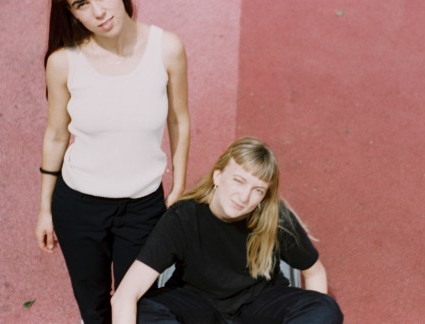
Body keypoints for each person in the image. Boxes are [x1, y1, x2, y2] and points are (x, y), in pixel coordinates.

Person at [34, 0, 190, 324]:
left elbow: (179, 119)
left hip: (143, 206)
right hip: (78, 206)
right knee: (94, 310)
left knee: (140, 308)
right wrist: (44, 209)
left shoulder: (166, 48)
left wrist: (179, 186)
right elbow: (56, 135)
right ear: (70, 11)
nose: (98, 11)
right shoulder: (63, 62)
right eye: (82, 4)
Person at [111, 137, 344, 324]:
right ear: (218, 176)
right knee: (143, 310)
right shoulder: (183, 217)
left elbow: (314, 273)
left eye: (258, 190)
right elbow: (125, 295)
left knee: (324, 307)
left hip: (259, 303)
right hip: (198, 303)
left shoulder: (274, 216)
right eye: (239, 181)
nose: (244, 197)